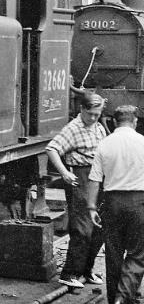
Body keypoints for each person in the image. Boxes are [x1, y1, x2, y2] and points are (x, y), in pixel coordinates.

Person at [88, 104, 144, 304]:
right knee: (137, 254)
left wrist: (92, 207)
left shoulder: (105, 144)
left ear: (114, 121)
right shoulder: (143, 143)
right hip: (139, 201)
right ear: (135, 121)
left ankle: (113, 302)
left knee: (113, 253)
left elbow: (95, 179)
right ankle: (124, 298)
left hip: (112, 203)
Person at [45, 91, 106, 288]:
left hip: (98, 177)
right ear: (81, 109)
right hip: (81, 177)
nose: (94, 118)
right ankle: (70, 273)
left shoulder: (98, 126)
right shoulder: (72, 128)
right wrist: (64, 172)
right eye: (91, 114)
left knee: (99, 229)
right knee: (82, 228)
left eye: (97, 114)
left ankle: (86, 271)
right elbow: (52, 148)